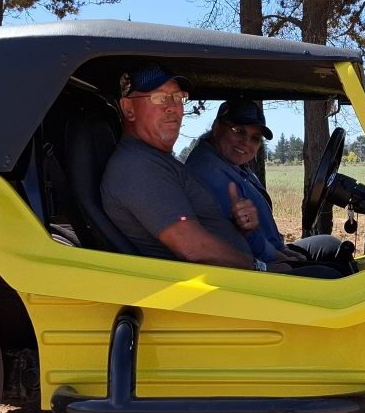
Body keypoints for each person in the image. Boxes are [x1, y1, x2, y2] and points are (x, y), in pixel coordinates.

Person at [100, 63, 339, 278]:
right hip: (219, 292)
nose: (174, 108)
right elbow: (195, 248)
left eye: (178, 98)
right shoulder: (140, 167)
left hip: (229, 279)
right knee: (333, 279)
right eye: (160, 98)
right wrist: (262, 267)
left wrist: (242, 229)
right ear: (129, 109)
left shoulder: (157, 161)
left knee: (331, 260)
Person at [185, 99, 349, 270]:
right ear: (217, 127)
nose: (246, 142)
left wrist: (283, 250)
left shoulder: (232, 165)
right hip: (249, 266)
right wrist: (279, 256)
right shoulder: (211, 173)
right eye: (239, 131)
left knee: (329, 245)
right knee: (332, 274)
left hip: (268, 252)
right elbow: (238, 237)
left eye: (255, 138)